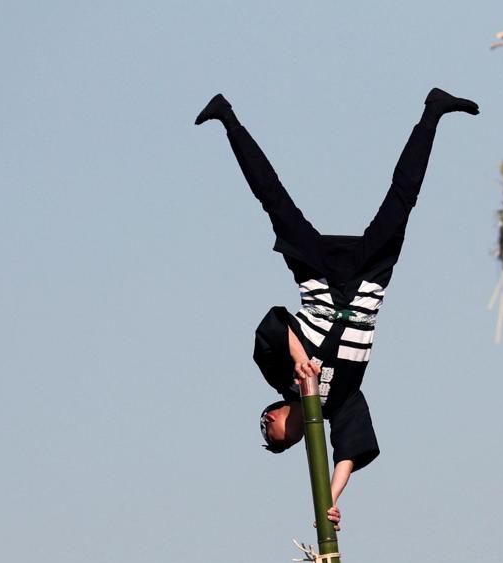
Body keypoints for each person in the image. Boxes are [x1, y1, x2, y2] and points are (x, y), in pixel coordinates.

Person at [196, 88, 478, 527]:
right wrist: (331, 498)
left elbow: (273, 325)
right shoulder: (339, 403)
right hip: (366, 282)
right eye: (278, 446)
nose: (275, 438)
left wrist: (299, 359)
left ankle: (227, 117)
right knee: (402, 202)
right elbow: (348, 451)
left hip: (320, 276)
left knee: (274, 199)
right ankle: (433, 112)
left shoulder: (280, 376)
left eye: (267, 432)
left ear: (272, 413)